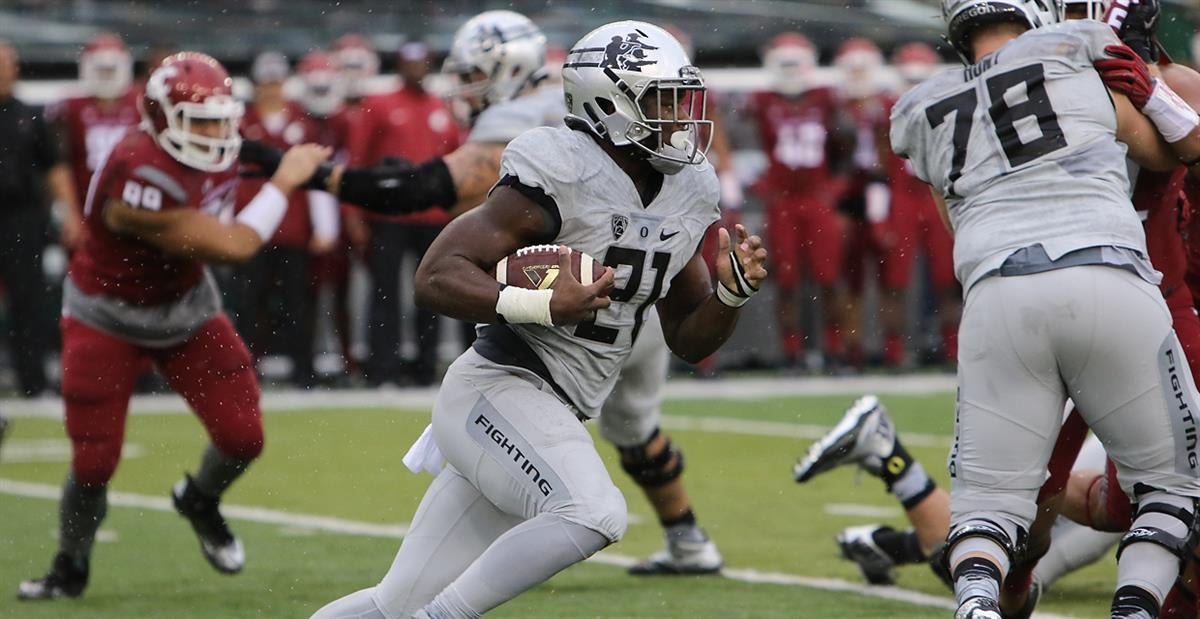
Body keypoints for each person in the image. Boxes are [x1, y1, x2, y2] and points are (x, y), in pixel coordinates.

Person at [241, 10, 728, 575]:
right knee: (628, 429)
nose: (465, 86)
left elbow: (427, 188)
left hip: (596, 303)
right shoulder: (590, 123)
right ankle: (684, 536)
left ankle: (553, 540)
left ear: (507, 66)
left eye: (475, 72)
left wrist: (319, 177)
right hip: (630, 294)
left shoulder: (537, 126)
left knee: (572, 457)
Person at [891, 0, 1200, 616]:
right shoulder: (1077, 63)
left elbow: (954, 223)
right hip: (1119, 284)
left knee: (989, 506)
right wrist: (1151, 105)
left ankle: (977, 595)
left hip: (1011, 288)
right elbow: (1176, 151)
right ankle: (1124, 603)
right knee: (1166, 487)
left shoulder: (924, 106)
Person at [17, 52, 329, 600]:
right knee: (93, 462)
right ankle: (70, 566)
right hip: (106, 314)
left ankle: (200, 498)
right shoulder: (139, 172)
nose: (214, 133)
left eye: (219, 119)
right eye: (199, 122)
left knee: (242, 437)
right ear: (160, 120)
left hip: (184, 305)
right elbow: (236, 246)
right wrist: (285, 181)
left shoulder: (215, 145)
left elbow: (243, 169)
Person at [353, 41, 460, 386]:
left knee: (432, 294)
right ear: (399, 65)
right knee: (384, 294)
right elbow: (358, 161)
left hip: (433, 218)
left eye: (421, 62)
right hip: (389, 218)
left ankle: (425, 369)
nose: (415, 69)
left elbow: (458, 164)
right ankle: (383, 369)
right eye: (409, 63)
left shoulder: (442, 108)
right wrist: (353, 213)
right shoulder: (380, 105)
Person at [745, 32, 852, 371]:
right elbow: (739, 146)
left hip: (815, 199)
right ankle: (791, 351)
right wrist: (762, 185)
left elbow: (848, 145)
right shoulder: (760, 99)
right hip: (783, 202)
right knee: (787, 281)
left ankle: (835, 348)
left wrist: (836, 187)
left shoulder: (826, 97)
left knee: (829, 277)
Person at [233, 51, 338, 389]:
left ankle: (302, 370)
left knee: (298, 303)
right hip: (251, 228)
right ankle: (246, 370)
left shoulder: (303, 123)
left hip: (293, 227)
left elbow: (317, 175)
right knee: (249, 304)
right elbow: (227, 176)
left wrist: (325, 225)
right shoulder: (241, 123)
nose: (272, 89)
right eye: (267, 82)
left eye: (277, 82)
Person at [0, 40, 78, 398]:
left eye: (6, 63)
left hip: (22, 218)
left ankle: (32, 381)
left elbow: (55, 169)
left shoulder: (32, 114)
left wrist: (71, 215)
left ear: (16, 69)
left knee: (27, 300)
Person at [877, 41, 961, 368]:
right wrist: (879, 213)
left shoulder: (948, 105)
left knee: (948, 277)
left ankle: (952, 348)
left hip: (935, 191)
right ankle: (894, 351)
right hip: (902, 197)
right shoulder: (884, 108)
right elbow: (880, 166)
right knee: (895, 279)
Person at [45, 33, 140, 252]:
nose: (106, 76)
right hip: (86, 204)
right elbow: (59, 165)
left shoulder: (140, 103)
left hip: (132, 205)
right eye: (101, 69)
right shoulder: (70, 107)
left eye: (111, 69)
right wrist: (70, 213)